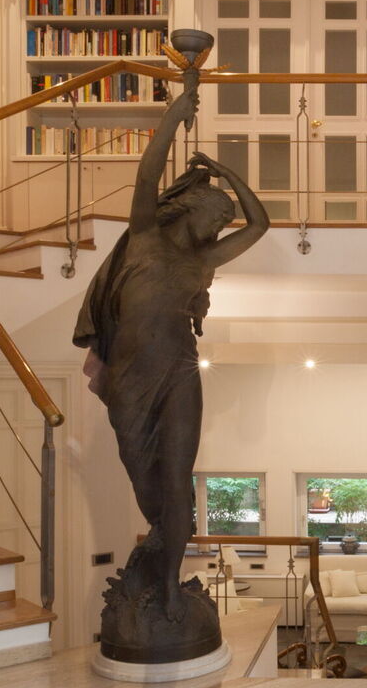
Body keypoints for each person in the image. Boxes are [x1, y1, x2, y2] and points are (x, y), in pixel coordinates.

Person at [74, 83, 269, 633]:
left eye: (223, 220)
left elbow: (260, 225)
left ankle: (167, 586)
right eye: (217, 216)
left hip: (181, 373)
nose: (220, 227)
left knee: (179, 478)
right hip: (131, 380)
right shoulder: (144, 237)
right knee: (146, 481)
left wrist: (229, 175)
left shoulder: (203, 262)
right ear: (190, 208)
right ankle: (158, 551)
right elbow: (147, 175)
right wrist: (172, 117)